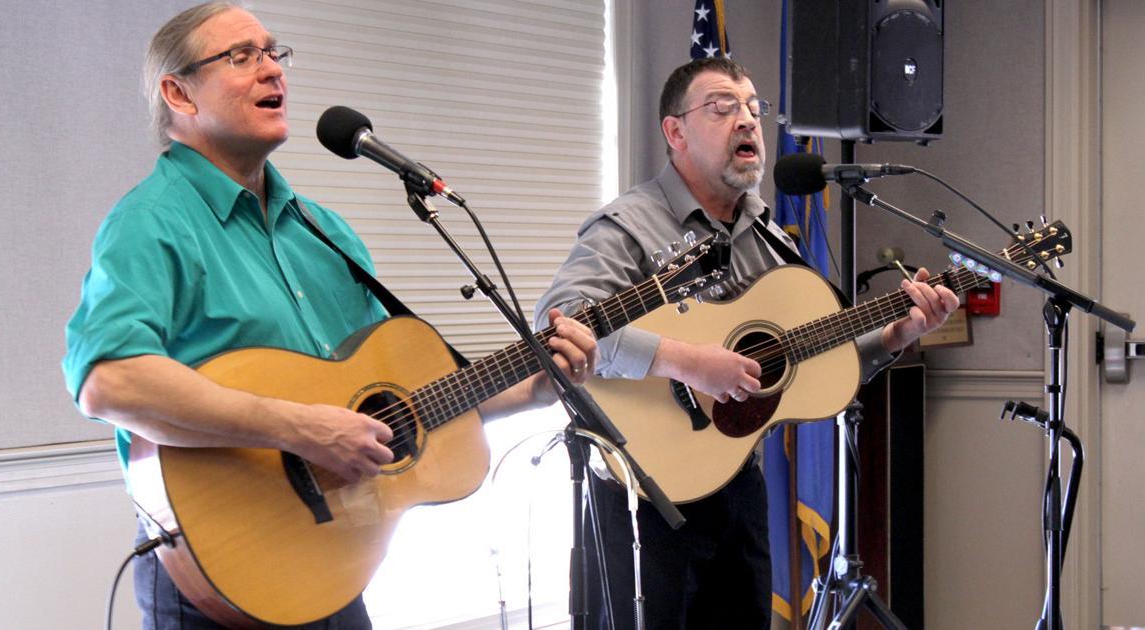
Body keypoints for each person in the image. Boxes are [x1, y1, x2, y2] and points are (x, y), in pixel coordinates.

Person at [61, 3, 599, 628]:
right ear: (179, 92)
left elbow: (397, 408)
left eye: (274, 53)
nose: (272, 72)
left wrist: (532, 387)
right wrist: (299, 428)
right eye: (242, 56)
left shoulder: (324, 231)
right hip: (219, 577)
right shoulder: (151, 223)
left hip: (334, 563)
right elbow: (109, 381)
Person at [534, 57, 960, 629]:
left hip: (737, 487)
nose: (747, 121)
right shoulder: (628, 225)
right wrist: (688, 363)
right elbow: (559, 324)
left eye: (754, 108)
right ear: (675, 132)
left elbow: (814, 364)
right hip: (643, 497)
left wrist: (899, 334)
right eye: (722, 107)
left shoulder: (770, 239)